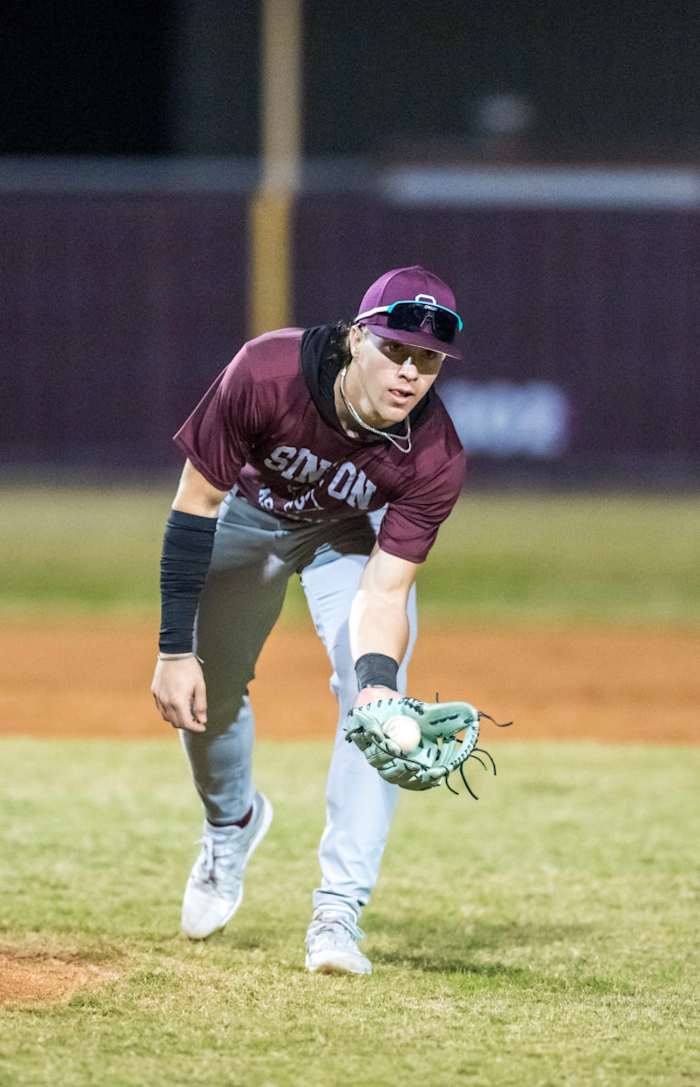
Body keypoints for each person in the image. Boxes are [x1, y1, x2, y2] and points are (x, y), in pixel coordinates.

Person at [150, 265, 466, 975]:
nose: (410, 373)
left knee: (376, 711)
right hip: (249, 517)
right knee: (211, 689)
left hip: (348, 535)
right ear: (358, 338)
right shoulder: (268, 372)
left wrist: (379, 682)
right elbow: (196, 503)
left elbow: (385, 593)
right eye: (395, 349)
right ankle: (231, 822)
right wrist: (174, 648)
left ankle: (338, 911)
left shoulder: (435, 455)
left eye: (428, 360)